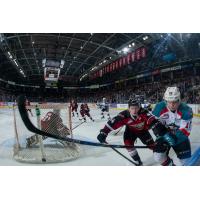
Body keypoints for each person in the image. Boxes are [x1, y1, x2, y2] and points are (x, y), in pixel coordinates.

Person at [97, 98, 168, 166]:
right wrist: (104, 132)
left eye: (136, 108)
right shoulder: (123, 115)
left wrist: (159, 131)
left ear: (139, 107)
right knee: (128, 145)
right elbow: (112, 123)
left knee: (152, 146)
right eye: (132, 108)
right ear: (128, 108)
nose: (134, 110)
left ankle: (161, 153)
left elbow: (153, 121)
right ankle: (137, 160)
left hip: (143, 131)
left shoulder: (144, 112)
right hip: (130, 132)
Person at [152, 87, 193, 166]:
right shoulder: (159, 107)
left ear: (179, 100)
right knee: (158, 157)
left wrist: (172, 139)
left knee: (185, 160)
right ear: (165, 100)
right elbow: (152, 122)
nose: (172, 105)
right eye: (169, 102)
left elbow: (185, 131)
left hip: (180, 137)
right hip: (163, 135)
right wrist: (157, 130)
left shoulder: (186, 110)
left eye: (174, 102)